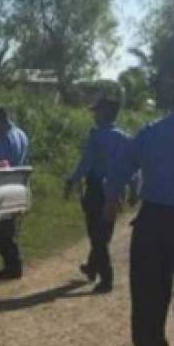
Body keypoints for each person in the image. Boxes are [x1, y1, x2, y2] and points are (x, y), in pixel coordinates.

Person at [108, 77, 174, 346]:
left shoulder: (152, 131)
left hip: (153, 220)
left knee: (148, 292)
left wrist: (112, 195)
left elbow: (122, 164)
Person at [64, 96, 136, 293]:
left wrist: (72, 180)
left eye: (96, 111)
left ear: (105, 113)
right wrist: (133, 190)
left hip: (97, 190)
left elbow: (86, 162)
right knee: (104, 232)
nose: (94, 115)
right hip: (114, 193)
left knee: (97, 236)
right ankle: (92, 266)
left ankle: (106, 278)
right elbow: (131, 167)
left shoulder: (96, 136)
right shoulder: (125, 138)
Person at [0, 107, 28, 279]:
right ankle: (11, 265)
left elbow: (1, 165)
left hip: (3, 186)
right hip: (16, 186)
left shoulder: (5, 138)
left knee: (1, 230)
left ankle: (13, 267)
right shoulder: (20, 134)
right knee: (5, 230)